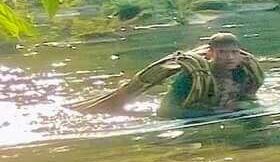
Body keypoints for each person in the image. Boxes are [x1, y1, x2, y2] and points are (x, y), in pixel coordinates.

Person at [83, 32, 267, 117]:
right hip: (197, 114)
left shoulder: (243, 74)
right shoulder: (192, 76)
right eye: (223, 53)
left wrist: (245, 106)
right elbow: (165, 111)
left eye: (234, 52)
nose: (229, 58)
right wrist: (213, 112)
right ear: (210, 53)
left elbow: (250, 99)